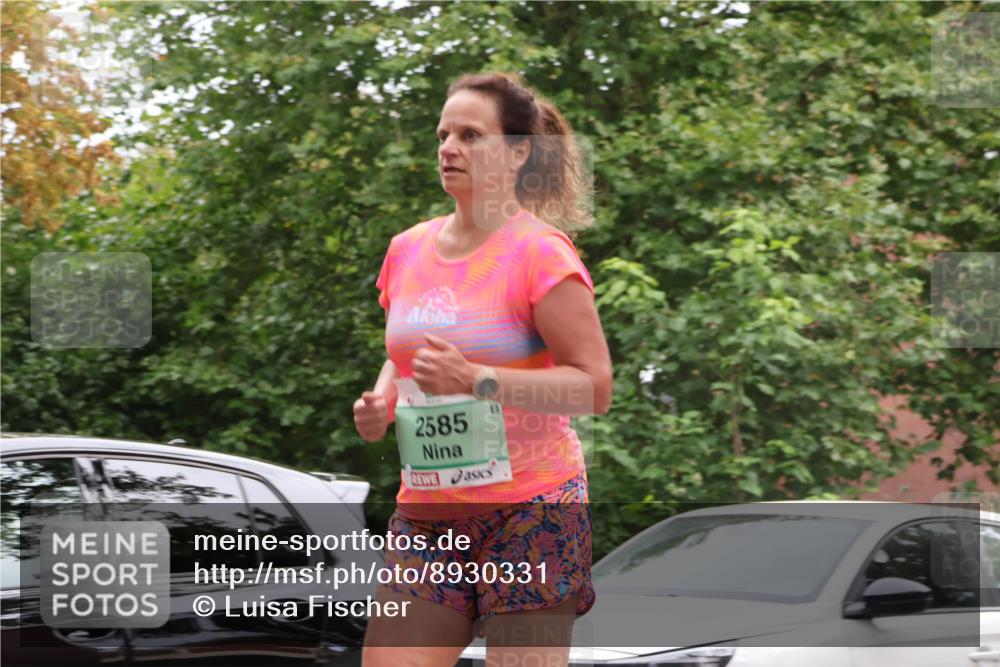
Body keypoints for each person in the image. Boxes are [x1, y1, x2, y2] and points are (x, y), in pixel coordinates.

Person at [354, 71, 613, 667]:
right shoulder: (407, 249)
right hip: (428, 515)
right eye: (444, 134)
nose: (448, 148)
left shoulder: (539, 252)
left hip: (533, 513)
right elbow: (409, 352)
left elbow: (593, 387)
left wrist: (476, 380)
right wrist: (381, 399)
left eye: (470, 135)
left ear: (519, 151)